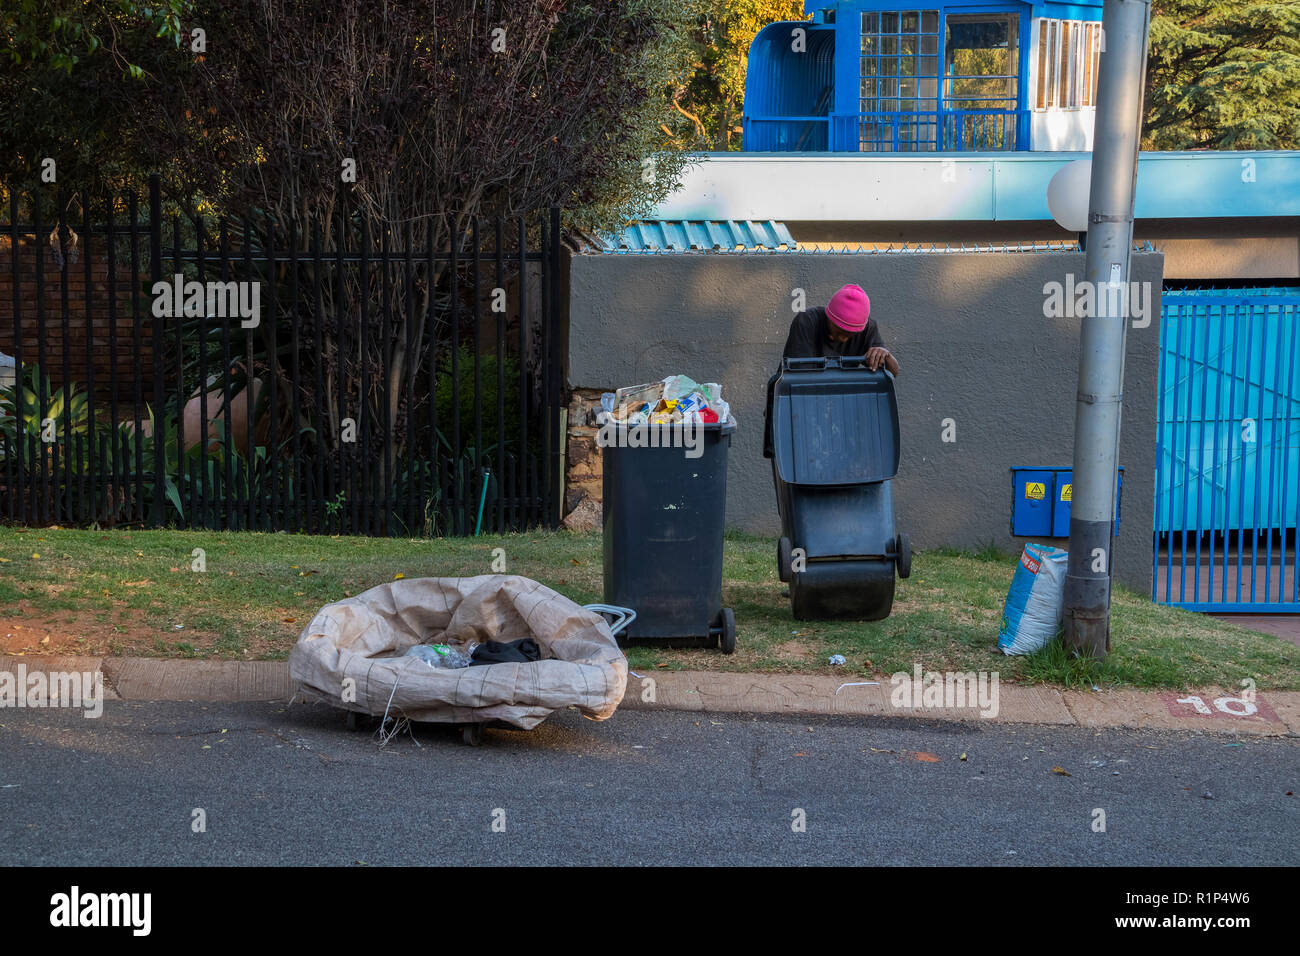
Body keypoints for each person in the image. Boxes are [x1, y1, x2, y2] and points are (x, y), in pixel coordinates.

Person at [782, 283, 899, 375]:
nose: (843, 339)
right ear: (829, 317)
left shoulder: (868, 330)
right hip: (799, 396)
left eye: (850, 335)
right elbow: (798, 376)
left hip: (840, 396)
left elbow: (893, 372)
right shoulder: (807, 321)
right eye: (839, 331)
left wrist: (886, 356)